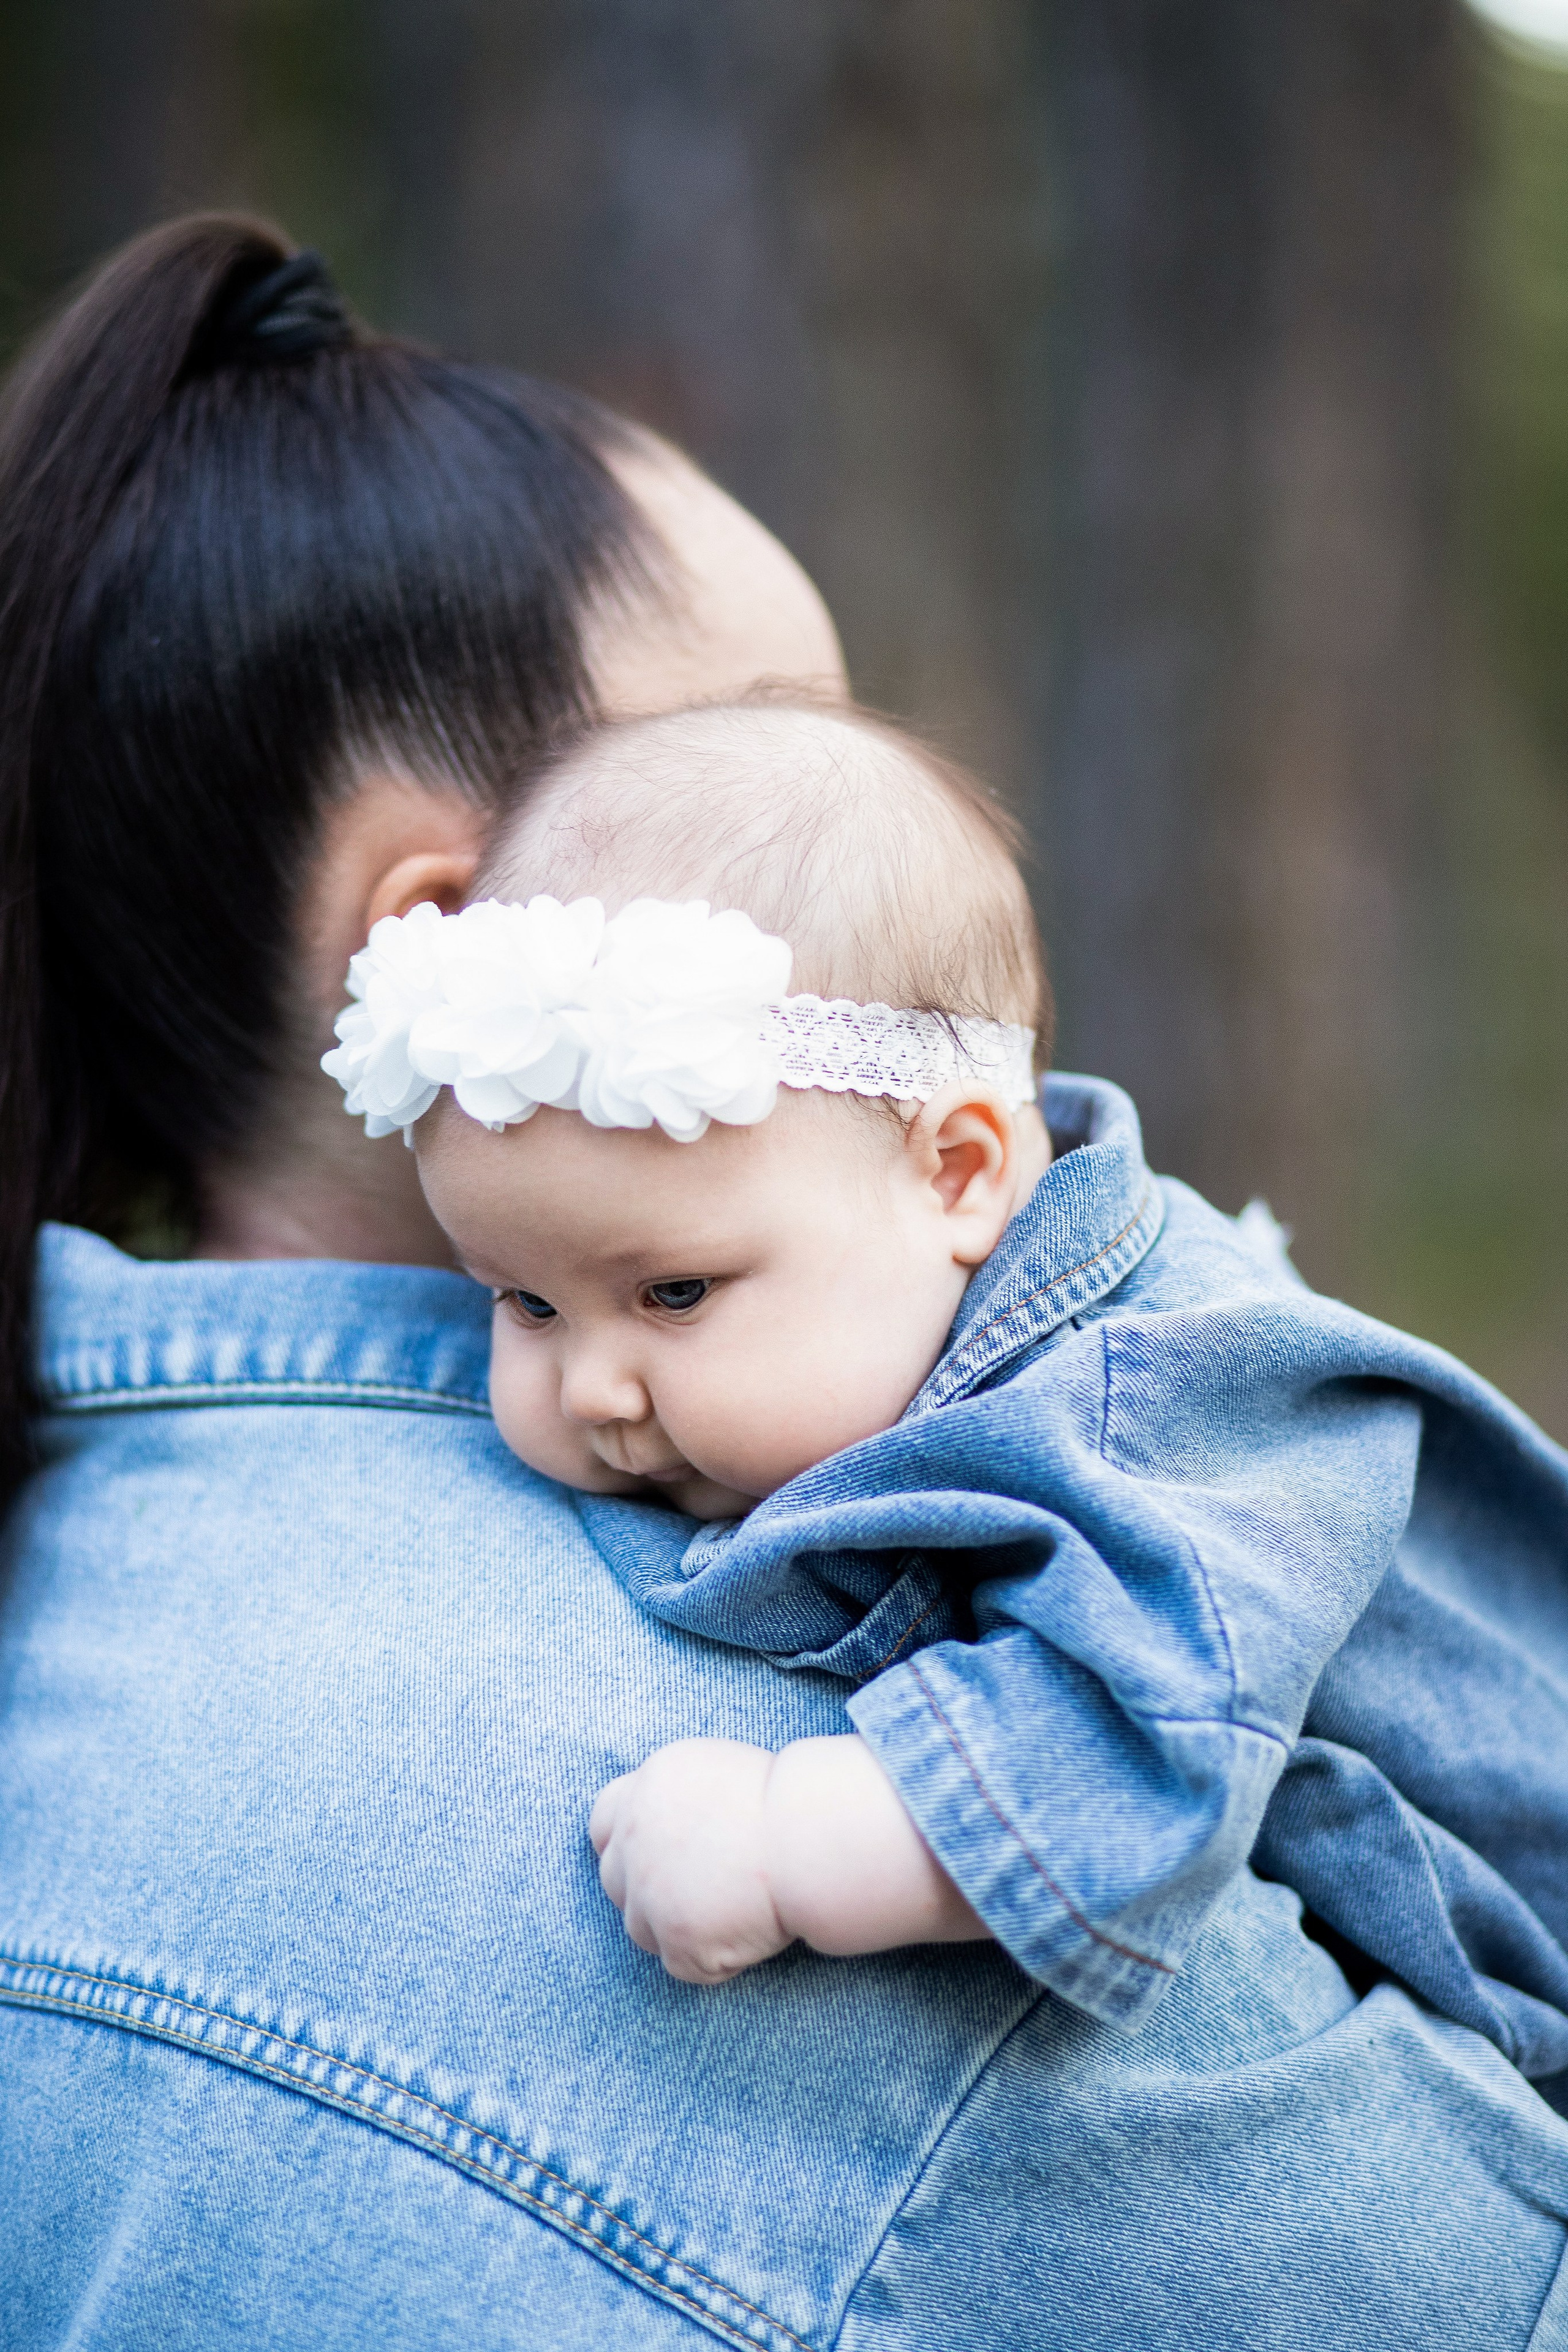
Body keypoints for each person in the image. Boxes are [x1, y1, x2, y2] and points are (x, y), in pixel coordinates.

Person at [3, 217, 1568, 2352]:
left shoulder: (79, 1602)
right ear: (443, 951)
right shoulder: (746, 1782)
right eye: (764, 750)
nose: (866, 843)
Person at [332, 696, 1568, 2098]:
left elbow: (1147, 1739)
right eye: (522, 1301)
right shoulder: (884, 1297)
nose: (594, 1387)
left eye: (672, 1294)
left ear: (957, 1175)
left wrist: (799, 1834)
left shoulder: (1166, 1387)